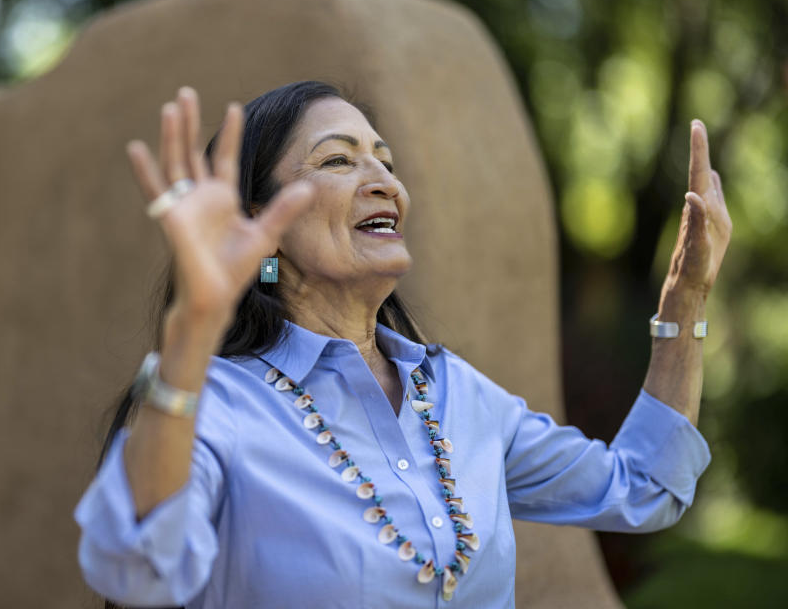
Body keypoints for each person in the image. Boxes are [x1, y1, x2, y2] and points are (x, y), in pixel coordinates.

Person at [73, 81, 731, 608]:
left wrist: (687, 298)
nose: (385, 180)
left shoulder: (463, 397)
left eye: (385, 161)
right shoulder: (213, 404)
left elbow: (643, 488)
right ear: (264, 229)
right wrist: (192, 332)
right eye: (337, 159)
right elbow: (137, 575)